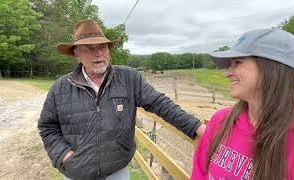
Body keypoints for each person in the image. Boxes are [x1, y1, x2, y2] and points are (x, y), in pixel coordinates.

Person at [38, 19, 206, 180]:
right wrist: (64, 155)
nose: (98, 54)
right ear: (77, 53)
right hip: (75, 174)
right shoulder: (61, 87)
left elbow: (159, 103)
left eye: (103, 47)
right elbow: (47, 127)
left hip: (117, 173)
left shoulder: (128, 78)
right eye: (89, 48)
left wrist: (197, 127)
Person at [191, 29, 294, 180]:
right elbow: (200, 174)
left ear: (272, 68)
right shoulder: (221, 120)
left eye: (237, 63)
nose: (228, 73)